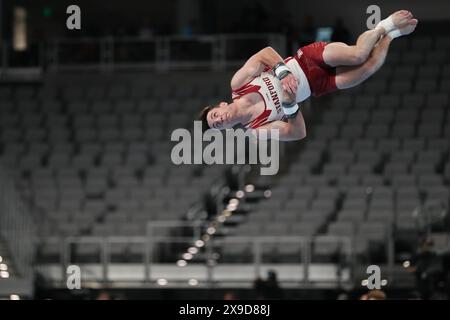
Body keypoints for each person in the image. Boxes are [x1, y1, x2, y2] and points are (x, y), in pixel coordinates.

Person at [200, 11, 418, 141]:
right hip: (317, 85)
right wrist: (288, 105)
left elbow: (265, 53)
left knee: (358, 54)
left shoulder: (238, 84)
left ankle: (384, 25)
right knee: (368, 68)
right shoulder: (257, 130)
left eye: (215, 116)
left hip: (307, 59)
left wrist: (282, 72)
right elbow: (297, 132)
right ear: (227, 130)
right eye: (219, 125)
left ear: (220, 105)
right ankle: (393, 35)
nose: (220, 120)